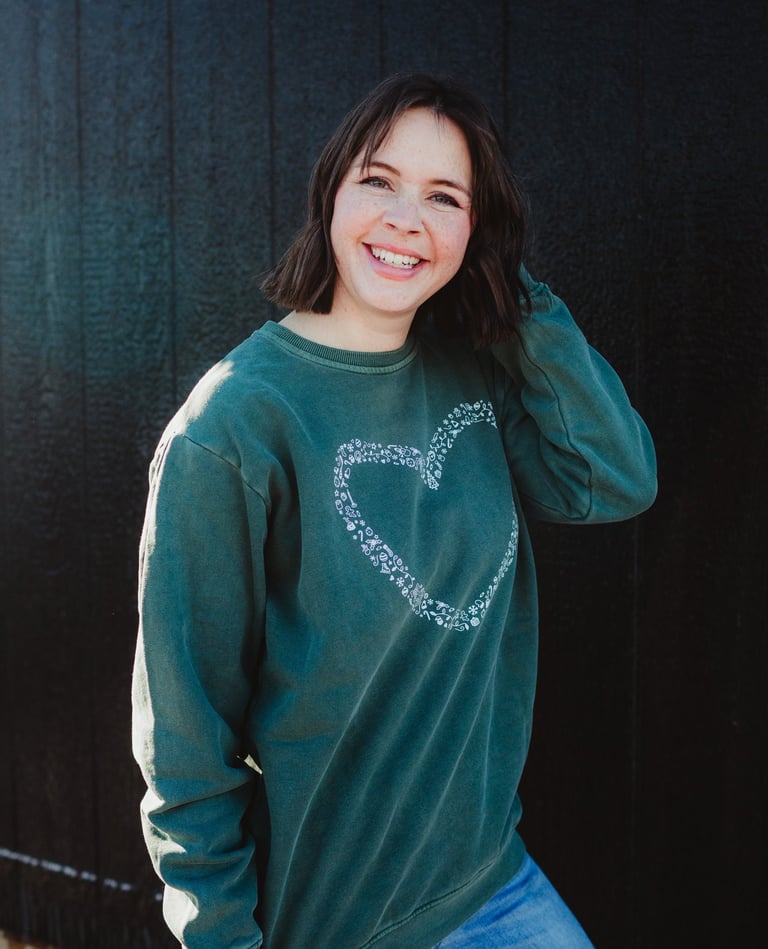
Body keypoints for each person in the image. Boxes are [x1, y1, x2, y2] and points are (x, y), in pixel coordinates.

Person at [131, 73, 657, 949]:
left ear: (477, 229)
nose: (407, 218)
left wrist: (510, 294)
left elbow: (612, 478)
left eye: (445, 197)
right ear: (331, 192)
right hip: (338, 924)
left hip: (492, 883)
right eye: (379, 180)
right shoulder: (230, 430)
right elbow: (185, 747)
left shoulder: (471, 366)